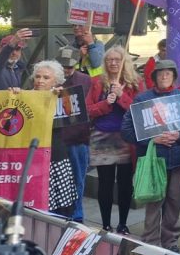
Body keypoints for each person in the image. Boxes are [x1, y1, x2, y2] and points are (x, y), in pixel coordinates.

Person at [122, 59, 180, 249]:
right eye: (160, 73)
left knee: (174, 201)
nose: (164, 76)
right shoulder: (142, 100)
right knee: (154, 201)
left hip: (178, 160)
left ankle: (170, 241)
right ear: (154, 77)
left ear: (173, 75)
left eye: (168, 72)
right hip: (153, 160)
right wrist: (151, 140)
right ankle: (150, 241)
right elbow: (126, 130)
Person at [86, 46, 139, 234]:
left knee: (125, 183)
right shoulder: (96, 82)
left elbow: (138, 111)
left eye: (117, 59)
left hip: (126, 140)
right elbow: (89, 110)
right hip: (102, 138)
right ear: (105, 63)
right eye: (110, 60)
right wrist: (105, 103)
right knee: (105, 183)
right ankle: (106, 224)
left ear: (124, 62)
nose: (114, 63)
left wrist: (121, 96)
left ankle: (123, 224)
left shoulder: (134, 83)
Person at [32, 59, 80, 217]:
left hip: (56, 158)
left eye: (46, 78)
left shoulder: (63, 97)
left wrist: (61, 97)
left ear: (56, 81)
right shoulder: (24, 96)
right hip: (31, 158)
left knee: (60, 210)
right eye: (38, 76)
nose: (40, 81)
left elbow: (73, 121)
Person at [58, 46, 92, 222]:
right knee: (59, 180)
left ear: (77, 64)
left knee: (78, 179)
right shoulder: (52, 79)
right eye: (63, 66)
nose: (66, 70)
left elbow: (91, 106)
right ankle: (59, 215)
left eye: (70, 66)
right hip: (56, 140)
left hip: (78, 139)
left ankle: (77, 216)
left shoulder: (85, 80)